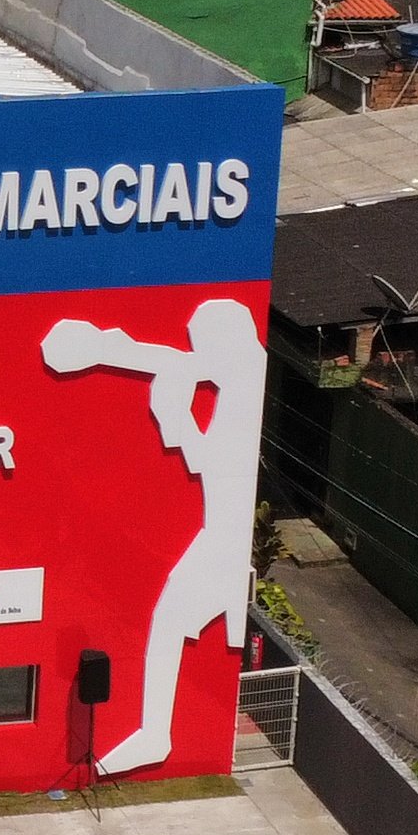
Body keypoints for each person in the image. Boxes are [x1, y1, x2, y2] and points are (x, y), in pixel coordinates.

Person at [42, 297, 263, 775]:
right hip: (221, 535)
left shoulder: (245, 384)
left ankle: (156, 735)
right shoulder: (241, 379)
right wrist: (109, 351)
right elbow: (183, 366)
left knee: (165, 624)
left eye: (205, 347)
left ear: (230, 340)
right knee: (165, 625)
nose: (198, 356)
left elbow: (211, 463)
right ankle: (156, 734)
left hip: (223, 540)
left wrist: (174, 418)